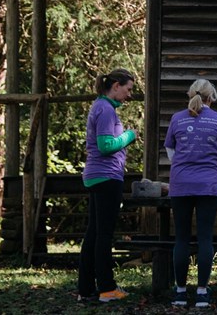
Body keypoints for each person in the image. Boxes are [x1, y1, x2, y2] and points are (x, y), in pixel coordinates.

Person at [164, 79, 217, 308]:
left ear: (190, 95)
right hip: (208, 185)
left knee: (181, 239)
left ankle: (179, 292)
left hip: (181, 184)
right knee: (205, 238)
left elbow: (171, 154)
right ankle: (203, 293)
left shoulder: (177, 118)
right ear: (211, 97)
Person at [79, 68, 139, 304]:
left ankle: (86, 289)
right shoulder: (104, 109)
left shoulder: (102, 107)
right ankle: (106, 288)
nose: (129, 94)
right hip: (106, 178)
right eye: (128, 89)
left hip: (97, 176)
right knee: (103, 235)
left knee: (93, 234)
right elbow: (105, 145)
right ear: (115, 85)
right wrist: (129, 135)